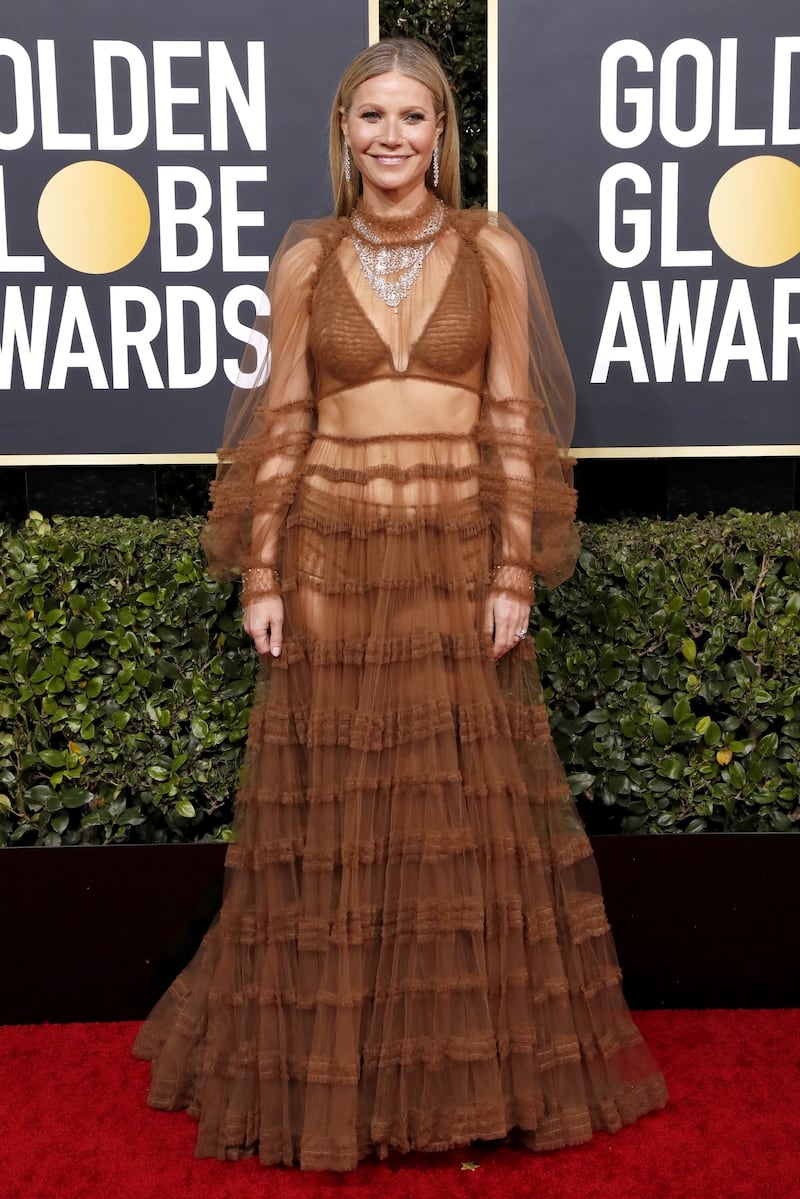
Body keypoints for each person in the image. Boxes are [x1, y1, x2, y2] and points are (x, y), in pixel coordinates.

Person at [134, 37, 668, 1171]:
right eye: (369, 115)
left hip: (453, 548)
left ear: (441, 135)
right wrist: (265, 572)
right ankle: (345, 1076)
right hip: (331, 546)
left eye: (411, 117)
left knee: (453, 814)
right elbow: (283, 421)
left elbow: (515, 414)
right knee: (336, 808)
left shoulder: (491, 249)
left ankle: (459, 1076)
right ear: (342, 130)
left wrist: (514, 568)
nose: (389, 135)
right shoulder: (304, 258)